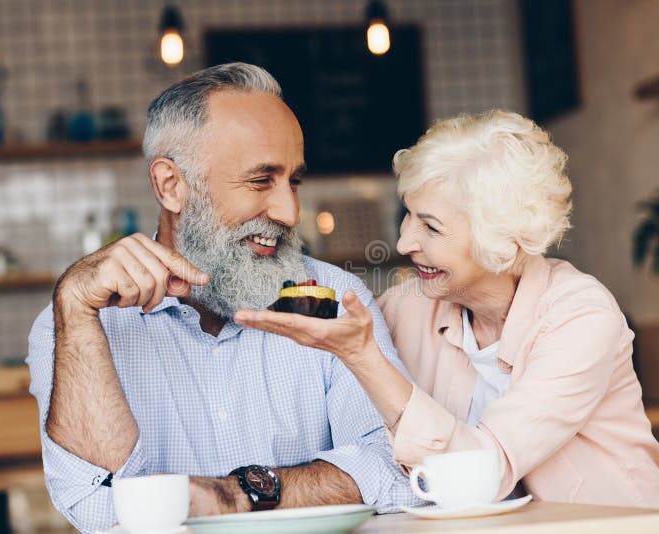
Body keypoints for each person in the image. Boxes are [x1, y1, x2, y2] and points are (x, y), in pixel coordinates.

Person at [26, 63, 418, 534]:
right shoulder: (74, 324)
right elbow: (97, 505)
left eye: (293, 180)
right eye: (260, 181)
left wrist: (233, 497)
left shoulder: (335, 297)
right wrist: (74, 304)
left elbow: (397, 469)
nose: (289, 211)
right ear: (171, 186)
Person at [236, 110, 659, 510]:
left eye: (431, 226)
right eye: (408, 215)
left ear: (501, 240)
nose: (404, 243)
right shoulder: (410, 308)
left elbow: (482, 473)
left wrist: (364, 357)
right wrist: (198, 284)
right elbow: (313, 322)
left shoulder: (581, 317)